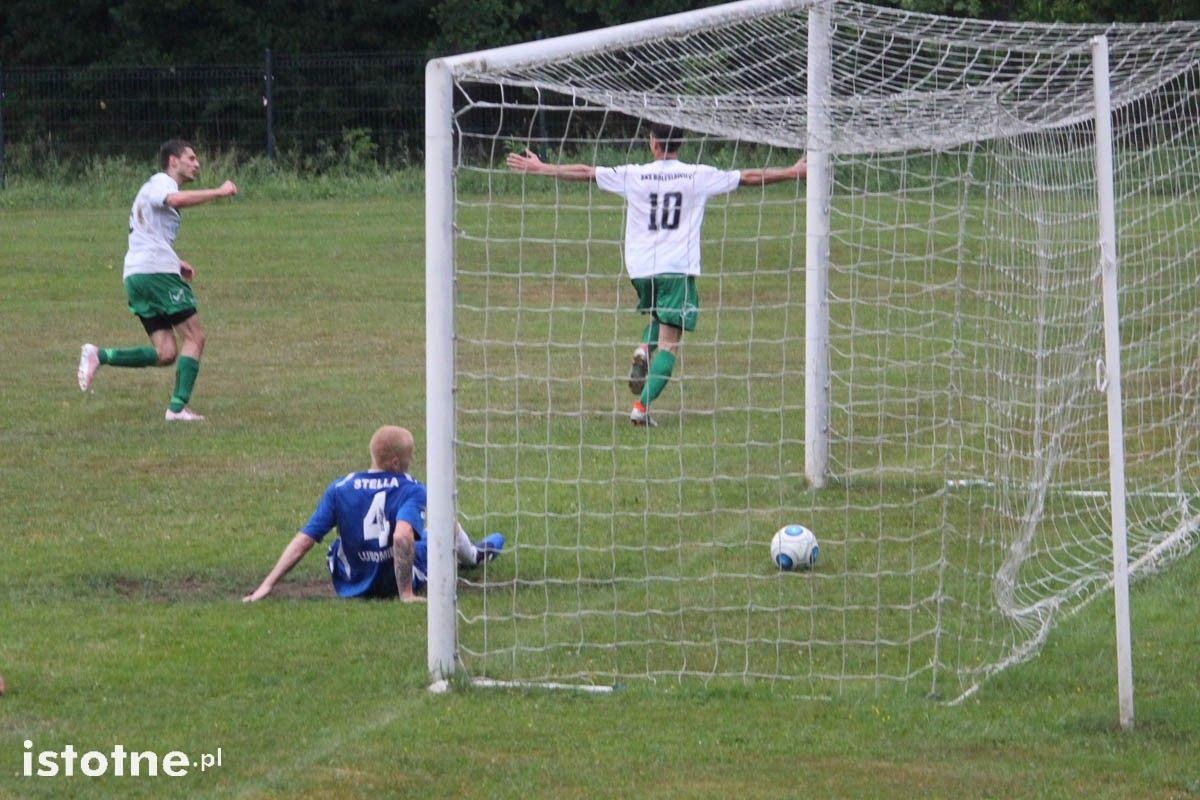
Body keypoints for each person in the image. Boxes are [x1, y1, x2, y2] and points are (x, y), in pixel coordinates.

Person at [507, 124, 807, 426]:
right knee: (670, 343)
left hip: (639, 269)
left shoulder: (635, 174)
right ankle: (641, 408)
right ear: (681, 143)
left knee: (660, 317)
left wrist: (541, 167)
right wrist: (792, 171)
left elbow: (585, 171)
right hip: (676, 267)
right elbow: (749, 177)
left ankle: (642, 349)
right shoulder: (696, 175)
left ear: (653, 143)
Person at [242, 425, 504, 602]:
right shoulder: (412, 489)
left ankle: (465, 554)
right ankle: (472, 556)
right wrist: (406, 594)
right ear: (395, 463)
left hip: (352, 582)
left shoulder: (340, 487)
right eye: (410, 457)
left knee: (336, 546)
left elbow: (304, 541)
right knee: (443, 522)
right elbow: (402, 538)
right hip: (392, 581)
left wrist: (267, 585)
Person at [77, 139, 238, 421]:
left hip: (137, 274)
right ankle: (177, 409)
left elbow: (148, 231)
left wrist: (176, 261)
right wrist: (219, 192)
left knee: (165, 352)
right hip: (155, 273)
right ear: (173, 161)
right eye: (191, 157)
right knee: (195, 336)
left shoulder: (155, 187)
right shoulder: (161, 182)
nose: (196, 163)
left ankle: (99, 355)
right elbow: (174, 200)